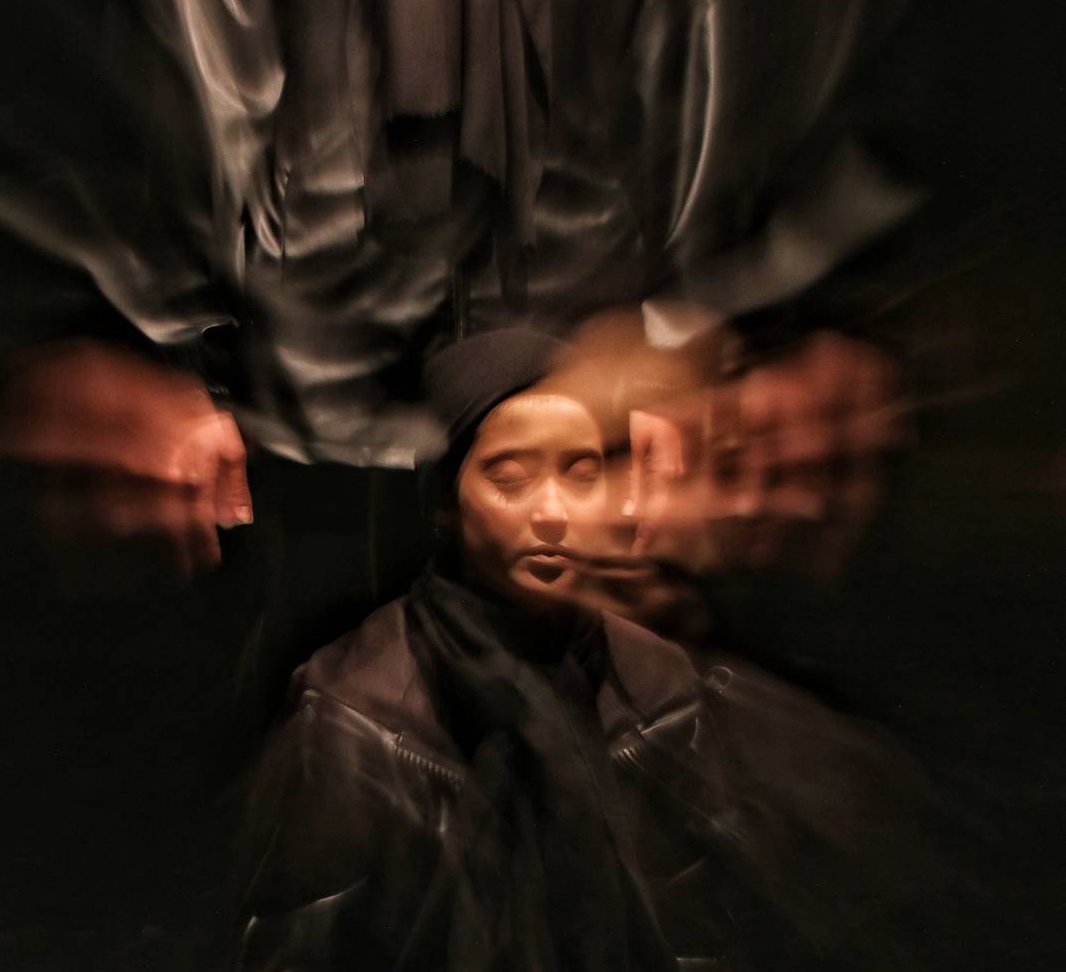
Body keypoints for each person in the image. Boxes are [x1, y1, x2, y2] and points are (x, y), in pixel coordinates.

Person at [233, 328, 938, 972]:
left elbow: (708, 925)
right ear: (446, 501)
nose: (553, 513)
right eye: (510, 477)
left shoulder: (659, 681)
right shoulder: (353, 715)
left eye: (581, 473)